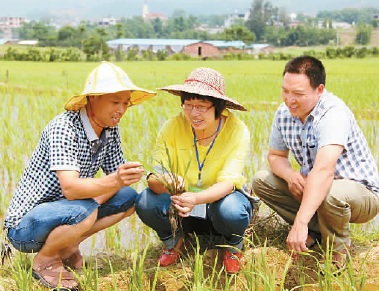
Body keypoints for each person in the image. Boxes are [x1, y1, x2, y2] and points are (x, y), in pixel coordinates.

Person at [3, 61, 156, 290]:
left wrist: (113, 185)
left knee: (129, 198)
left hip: (69, 209)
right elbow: (71, 189)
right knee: (83, 209)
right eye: (115, 102)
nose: (121, 110)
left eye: (125, 103)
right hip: (26, 226)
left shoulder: (110, 129)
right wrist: (108, 188)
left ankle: (66, 246)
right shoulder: (64, 127)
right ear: (92, 98)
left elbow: (116, 177)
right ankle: (44, 260)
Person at [252, 55, 379, 271]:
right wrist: (291, 176)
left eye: (298, 94)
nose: (289, 99)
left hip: (360, 194)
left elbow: (323, 171)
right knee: (261, 180)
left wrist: (299, 223)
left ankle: (337, 250)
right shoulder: (284, 113)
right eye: (285, 91)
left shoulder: (333, 114)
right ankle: (317, 230)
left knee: (331, 192)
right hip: (317, 187)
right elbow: (276, 156)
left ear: (319, 90)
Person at [135, 67, 255, 274]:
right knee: (145, 201)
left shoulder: (237, 130)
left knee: (231, 210)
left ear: (218, 107)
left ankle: (233, 246)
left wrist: (197, 199)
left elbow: (228, 183)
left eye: (201, 106)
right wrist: (167, 180)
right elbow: (153, 178)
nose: (193, 113)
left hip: (219, 204)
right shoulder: (172, 127)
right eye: (188, 105)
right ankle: (174, 242)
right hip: (183, 208)